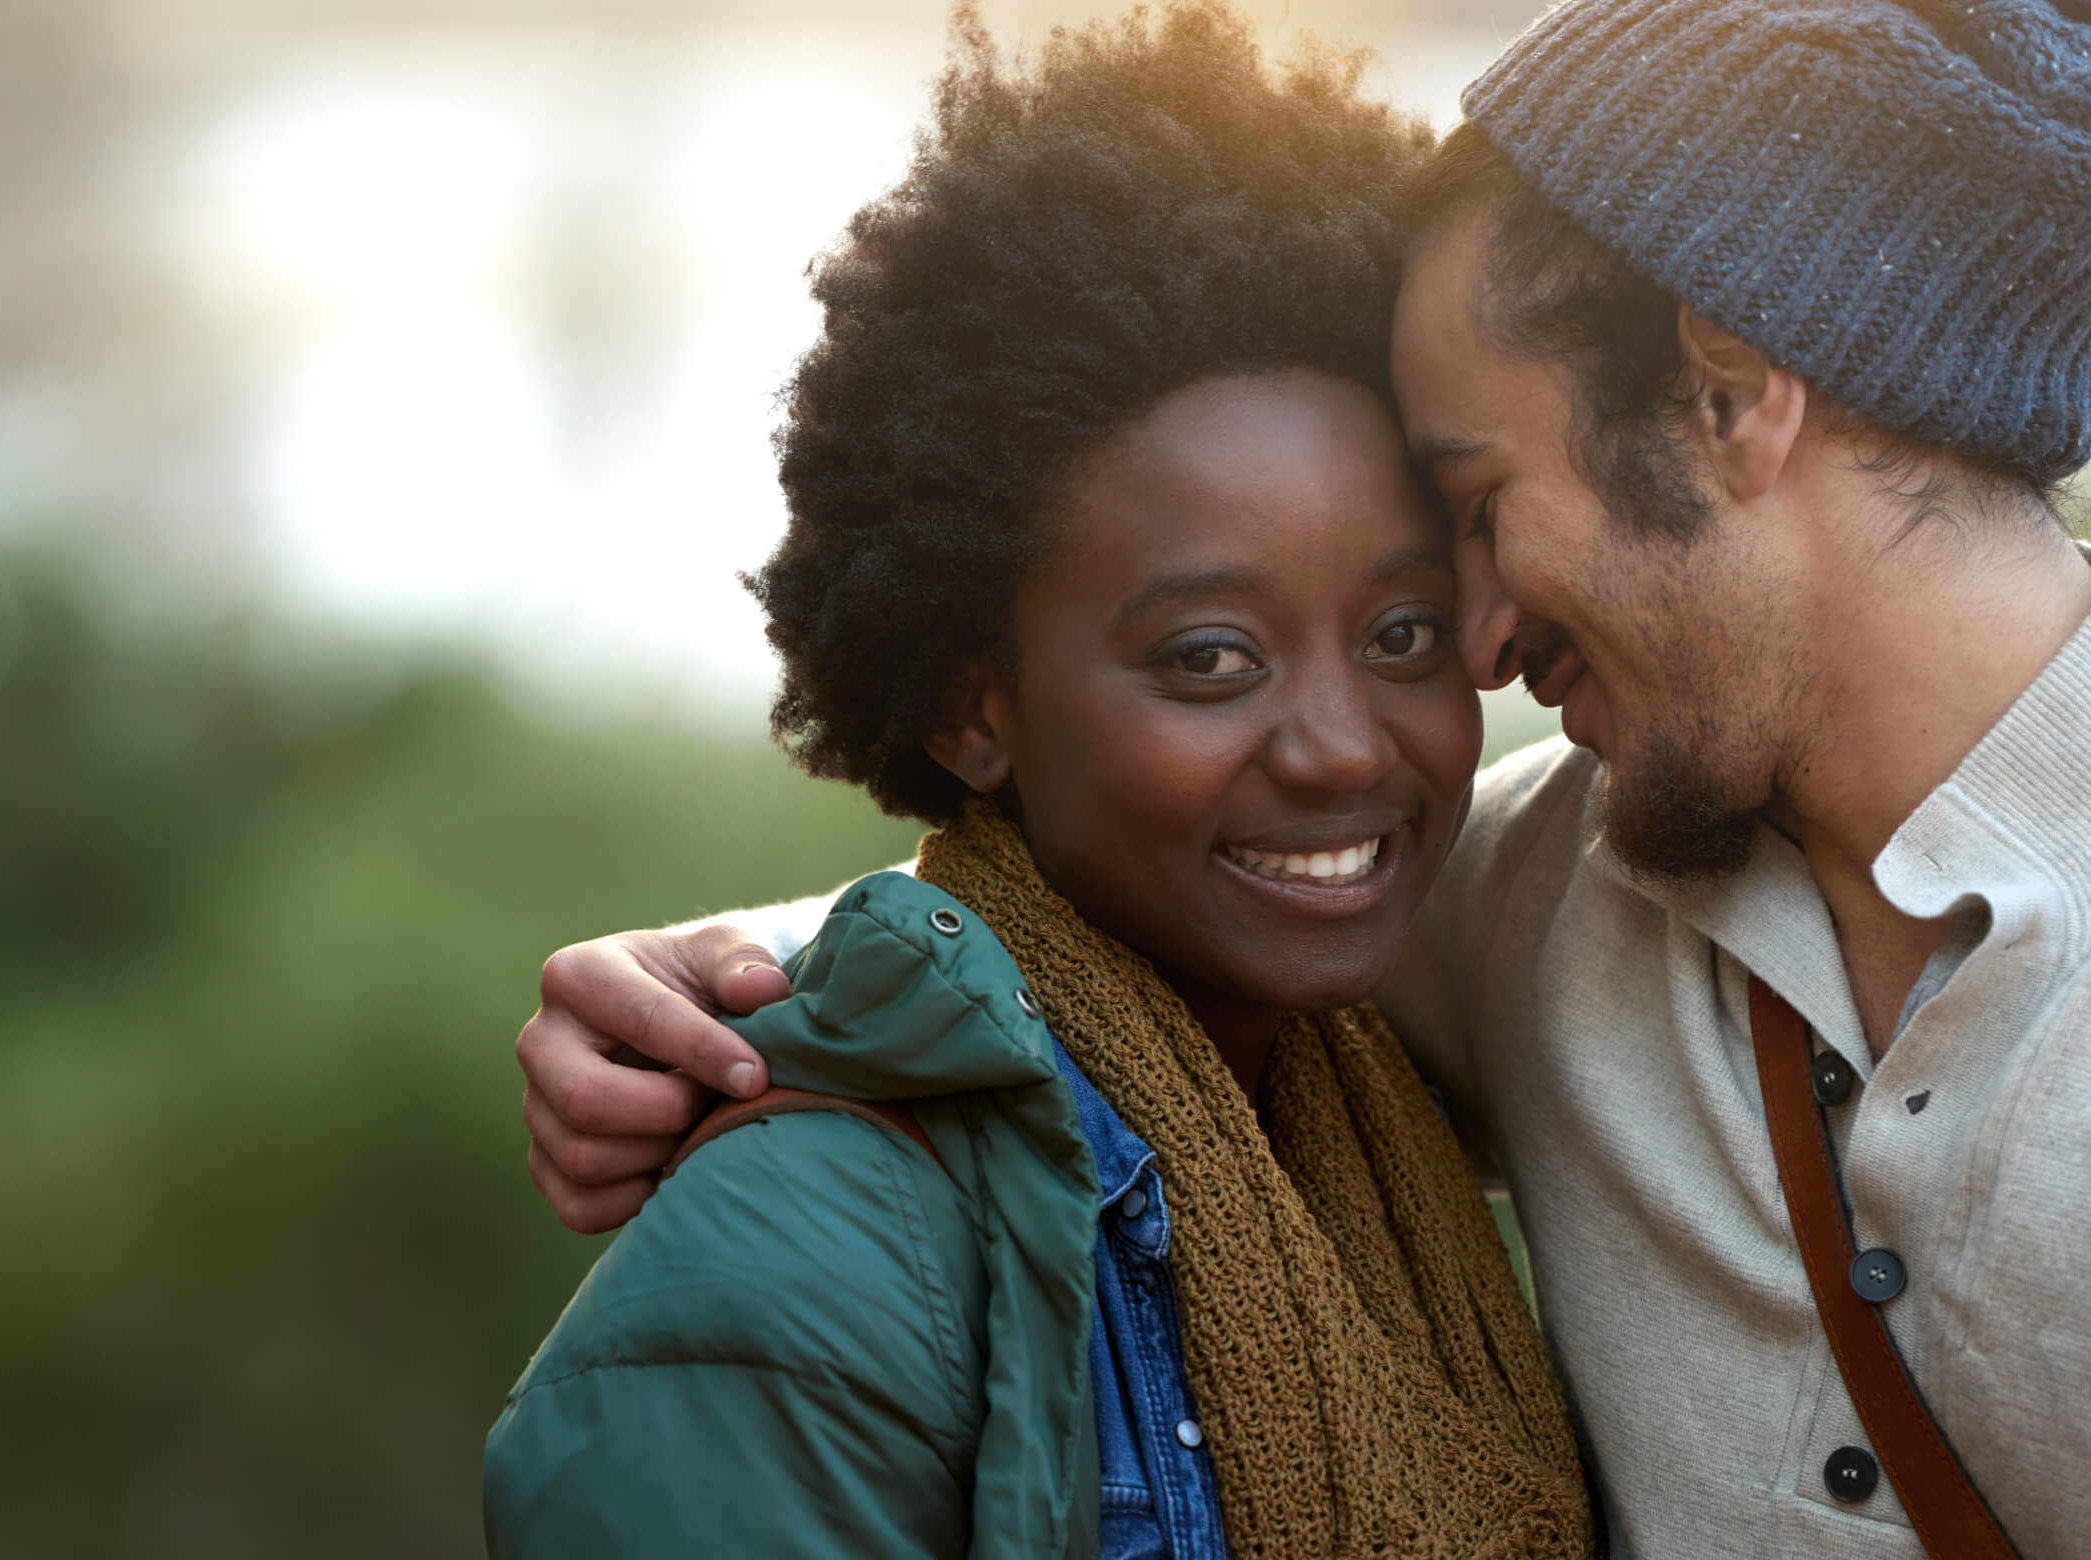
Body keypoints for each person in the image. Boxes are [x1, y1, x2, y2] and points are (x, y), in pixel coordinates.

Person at [521, 0, 2091, 1554]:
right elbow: (1115, 916)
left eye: (1471, 508)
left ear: (1727, 396)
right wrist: (731, 975)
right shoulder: (1560, 887)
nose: (1458, 650)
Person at [483, 8, 1592, 1557]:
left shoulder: (1360, 1096)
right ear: (969, 708)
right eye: (1211, 657)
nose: (1344, 744)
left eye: (1403, 631)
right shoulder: (805, 1264)